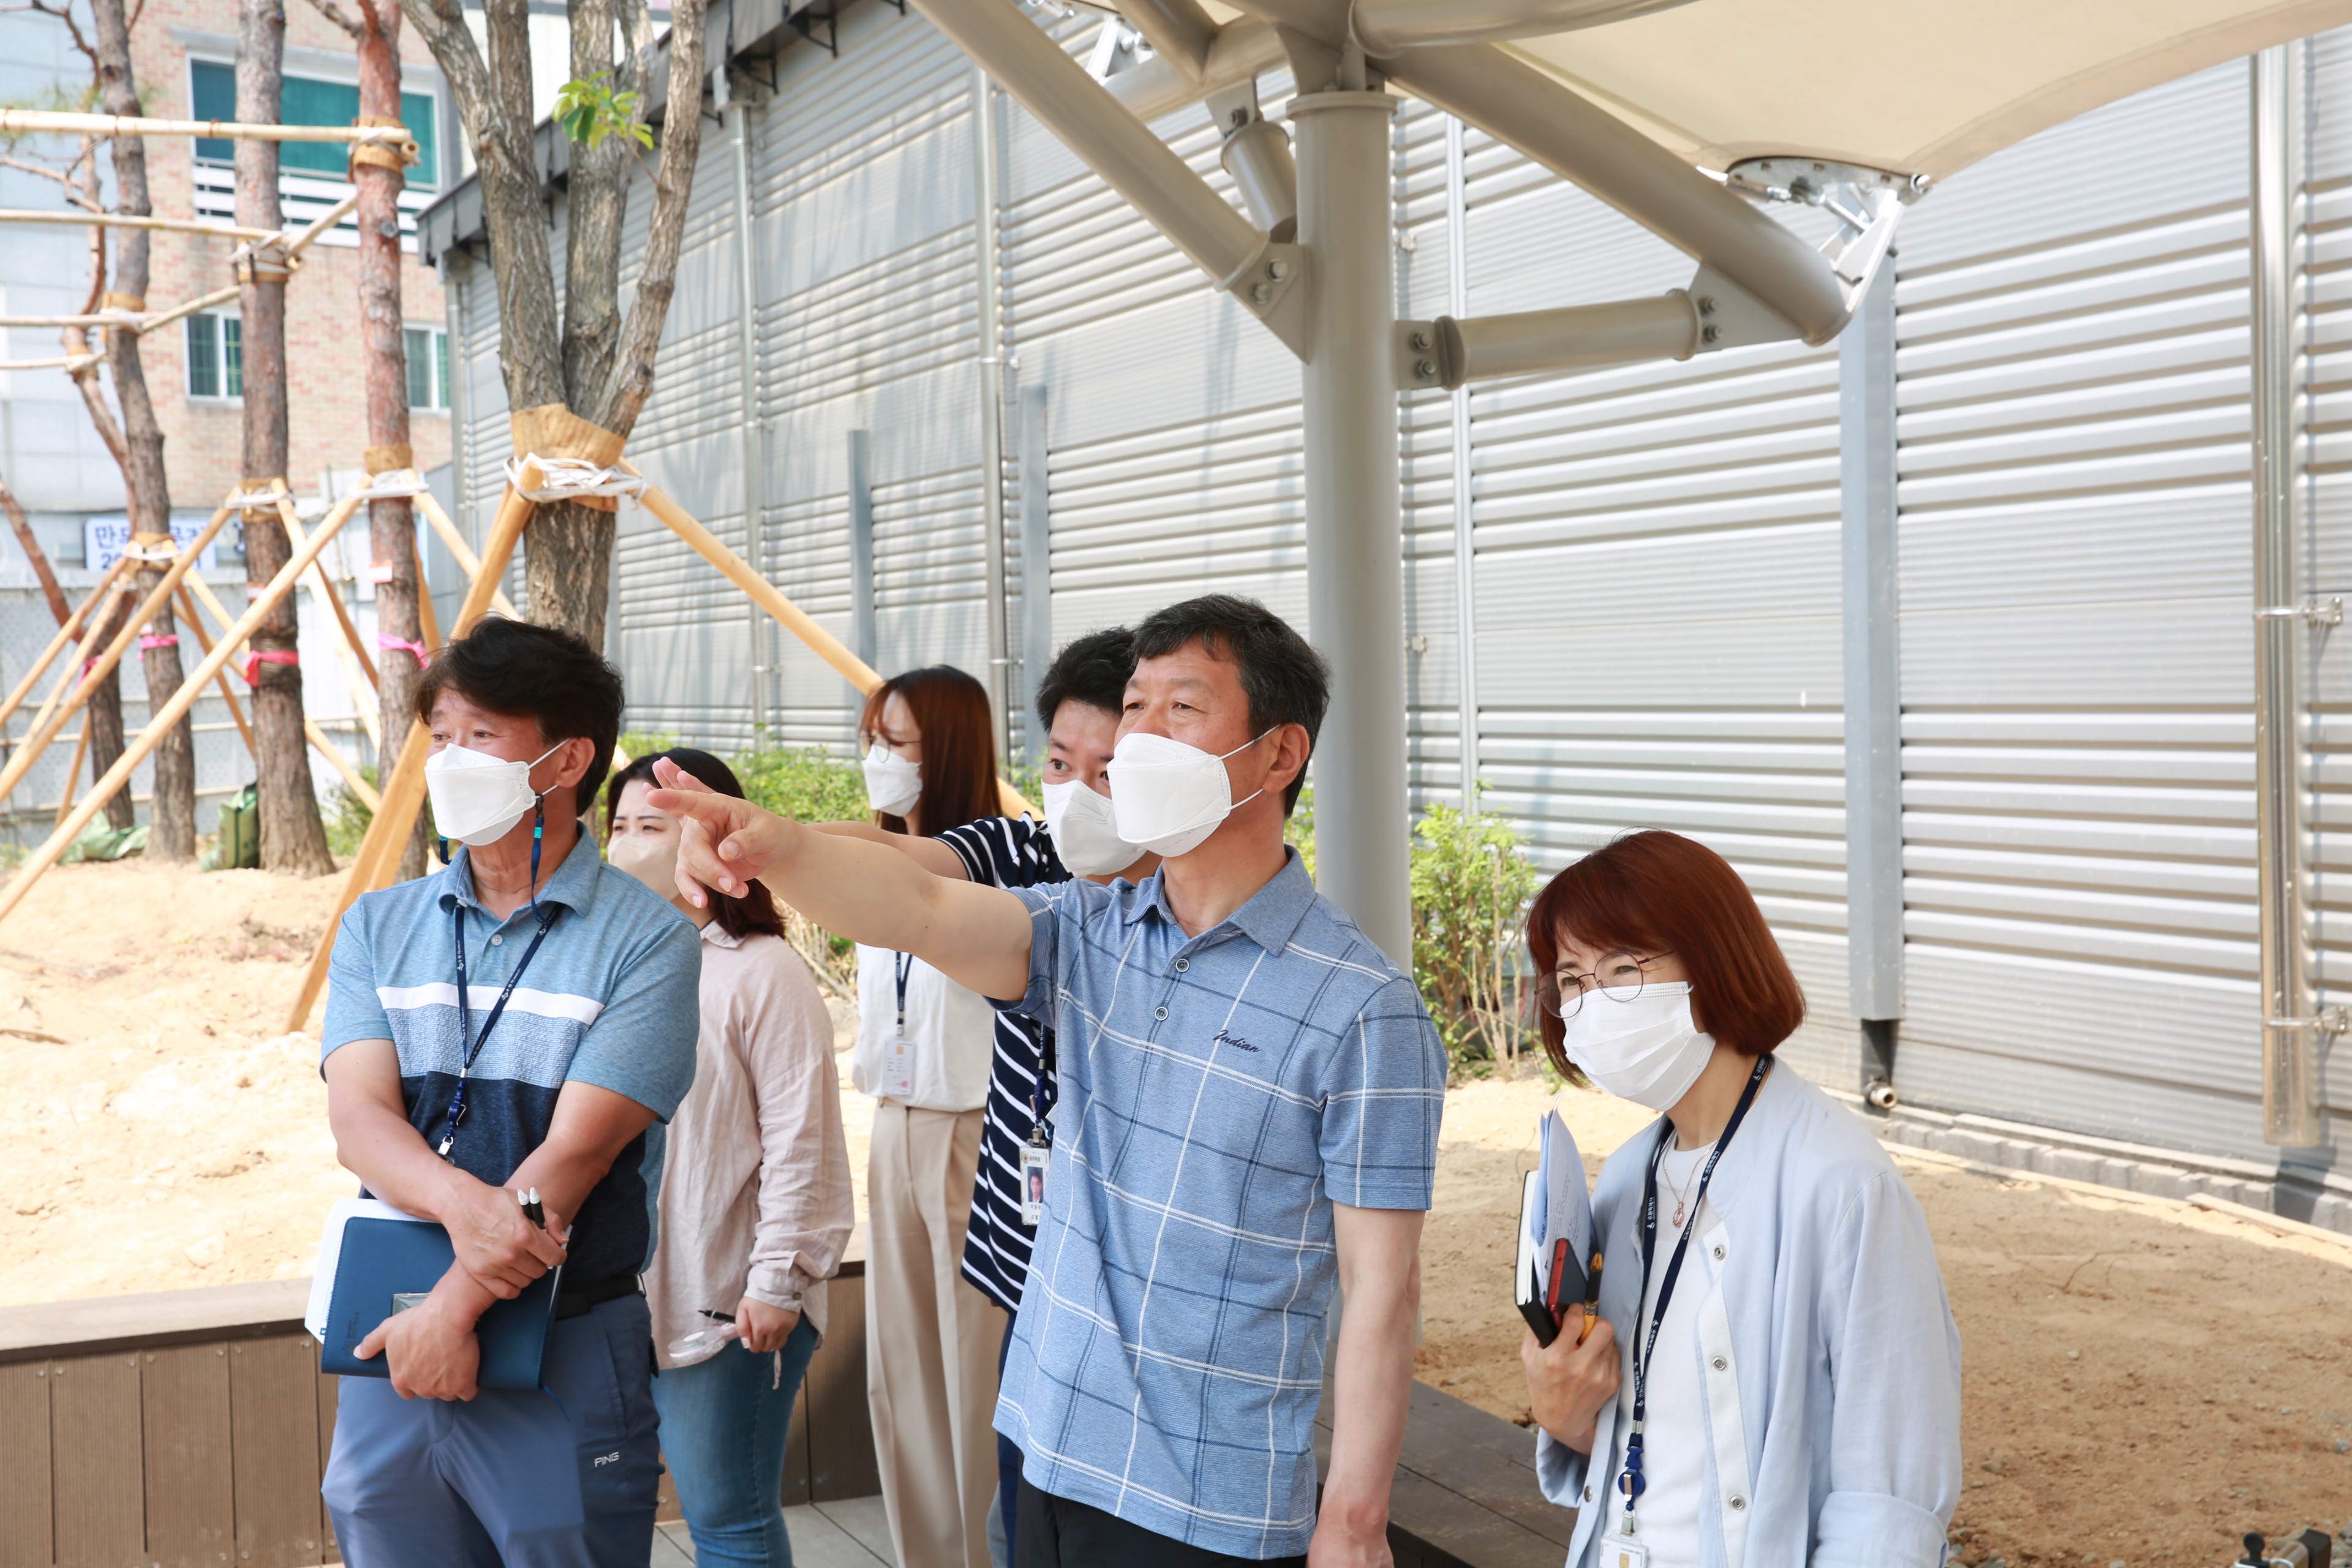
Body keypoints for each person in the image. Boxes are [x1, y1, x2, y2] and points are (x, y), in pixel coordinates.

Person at [647, 593, 1449, 1568]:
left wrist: (1355, 1522)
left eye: (1181, 710)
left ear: (1279, 756)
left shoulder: (1363, 1008)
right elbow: (918, 907)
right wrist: (769, 844)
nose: (1144, 736)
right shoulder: (1083, 927)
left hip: (1206, 1498)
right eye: (1137, 707)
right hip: (1042, 1443)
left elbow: (1383, 1287)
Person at [317, 617, 701, 1567]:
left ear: (566, 759)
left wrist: (455, 1310)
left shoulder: (647, 939)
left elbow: (576, 1156)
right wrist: (459, 1218)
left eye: (482, 734)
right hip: (390, 1332)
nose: (451, 759)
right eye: (441, 734)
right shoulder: (378, 924)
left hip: (560, 1334)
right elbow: (359, 1119)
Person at [1516, 829, 1962, 1568]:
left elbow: (1889, 1501)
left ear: (1712, 959)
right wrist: (1563, 1414)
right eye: (1570, 981)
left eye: (1622, 967)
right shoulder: (1628, 1177)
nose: (1592, 1005)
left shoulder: (1846, 1187)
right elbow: (1652, 1442)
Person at [813, 627, 1158, 1562]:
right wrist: (770, 839)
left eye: (1110, 770)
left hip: (1003, 1164)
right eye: (1059, 761)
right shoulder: (1003, 848)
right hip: (957, 1174)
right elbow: (907, 877)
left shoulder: (1146, 891)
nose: (1078, 790)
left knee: (981, 1397)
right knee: (921, 1382)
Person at [608, 748, 854, 1568]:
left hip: (723, 1300)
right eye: (624, 826)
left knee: (726, 1518)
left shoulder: (761, 974)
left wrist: (778, 1279)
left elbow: (802, 1138)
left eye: (661, 825)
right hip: (612, 1297)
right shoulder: (603, 970)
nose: (637, 843)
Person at [846, 663, 1012, 1568]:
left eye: (898, 742)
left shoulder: (998, 861)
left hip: (973, 1131)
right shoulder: (876, 865)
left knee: (969, 1373)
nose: (879, 759)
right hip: (894, 1121)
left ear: (944, 749)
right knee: (898, 1372)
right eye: (873, 739)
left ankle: (987, 1552)